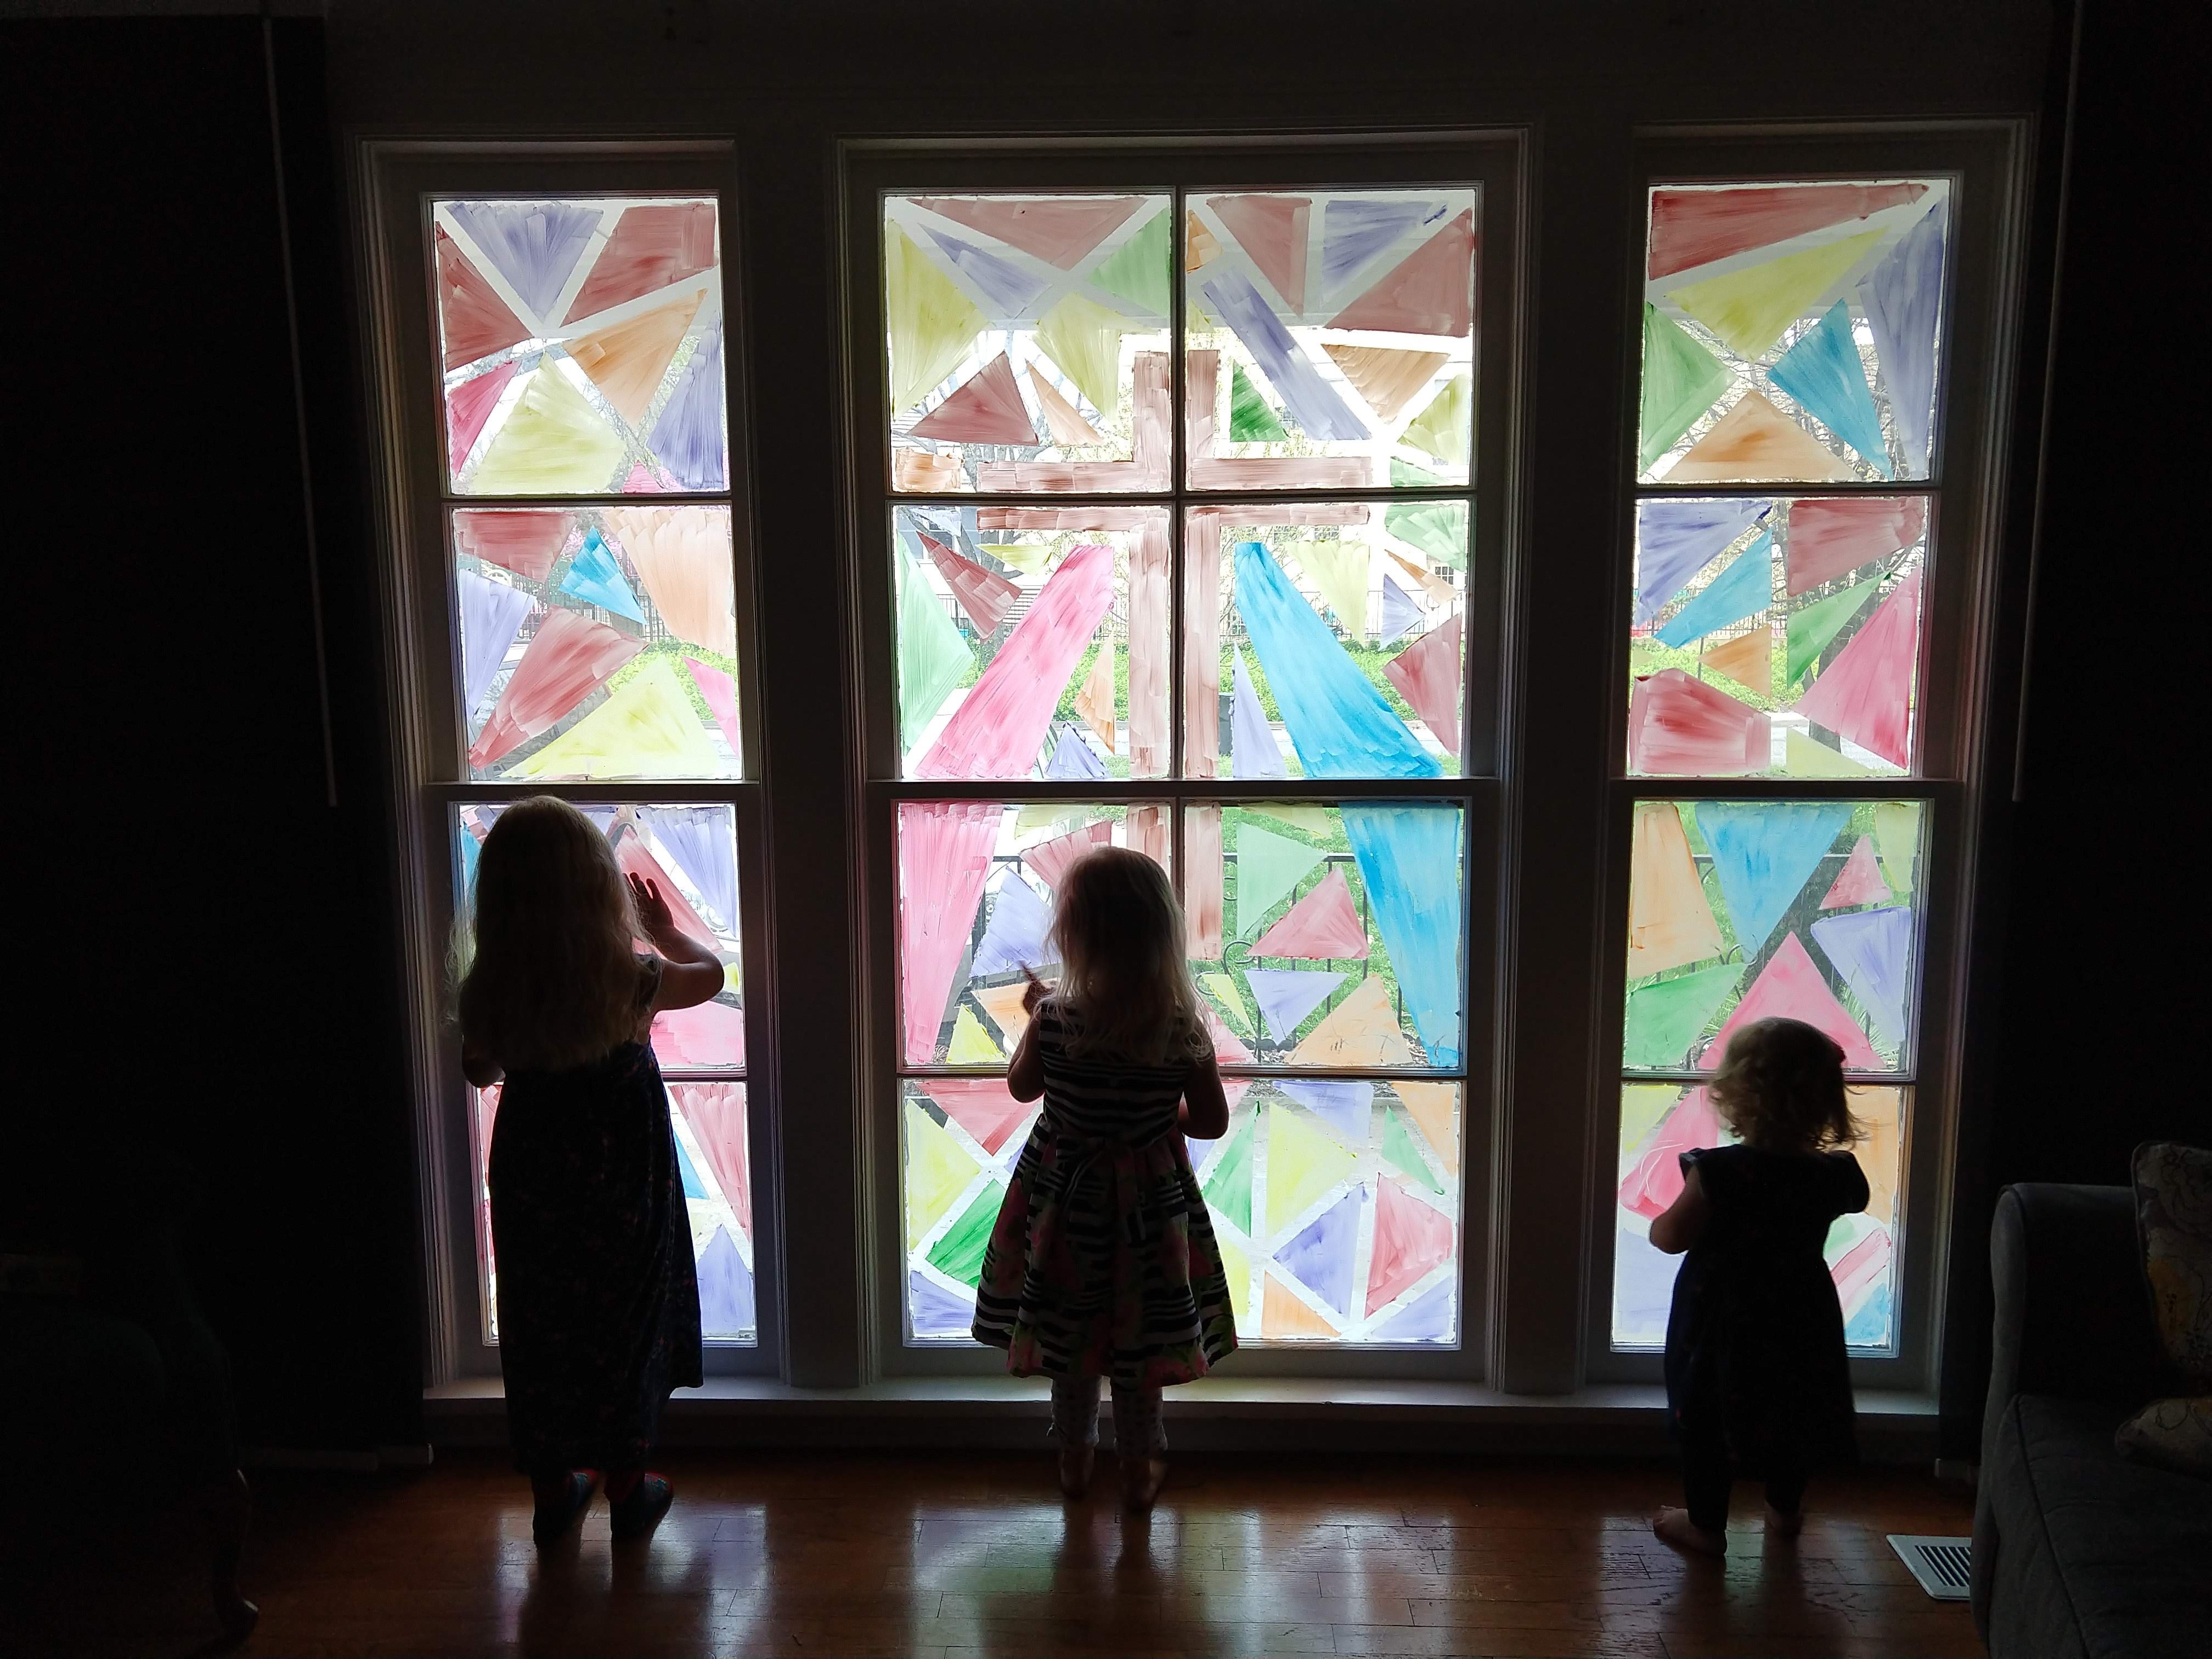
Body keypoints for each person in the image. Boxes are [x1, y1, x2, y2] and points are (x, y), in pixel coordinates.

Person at [456, 797, 724, 1545]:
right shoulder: (632, 978)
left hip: (535, 1178)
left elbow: (478, 1071)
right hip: (622, 1176)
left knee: (543, 1324)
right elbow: (707, 975)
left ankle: (554, 1492)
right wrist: (666, 931)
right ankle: (629, 1489)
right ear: (598, 890)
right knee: (625, 1318)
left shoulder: (491, 987)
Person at [970, 846, 1239, 1509]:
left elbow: (1021, 1087)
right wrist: (1152, 1115)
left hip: (1066, 1205)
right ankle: (1140, 1466)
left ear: (1075, 933)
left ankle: (1073, 1455)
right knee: (1138, 1339)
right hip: (1149, 1209)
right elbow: (1209, 1122)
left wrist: (1034, 1020)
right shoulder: (1180, 1026)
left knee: (1071, 1334)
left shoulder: (1057, 1019)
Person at [1646, 1016, 1870, 1556]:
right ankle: (1785, 1511)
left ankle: (1705, 1524)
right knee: (1793, 1410)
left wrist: (1664, 1222)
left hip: (1723, 1318)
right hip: (1800, 1314)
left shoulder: (1720, 1172)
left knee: (1707, 1415)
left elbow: (1670, 1237)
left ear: (1736, 1095)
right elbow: (1854, 1198)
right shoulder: (1834, 1175)